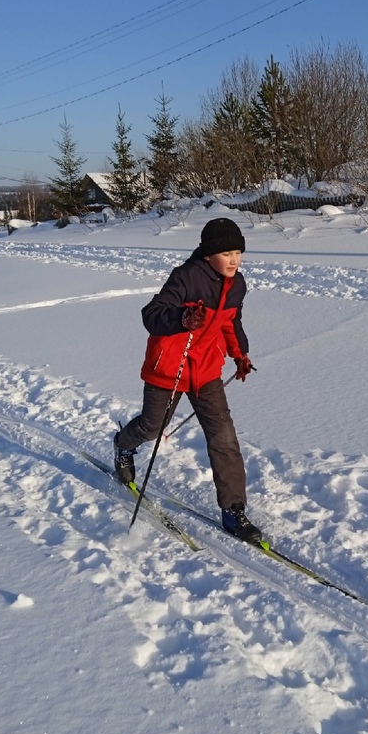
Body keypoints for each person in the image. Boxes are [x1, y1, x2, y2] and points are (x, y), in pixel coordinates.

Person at [114, 216, 262, 544]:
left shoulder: (237, 285)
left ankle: (233, 509)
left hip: (205, 370)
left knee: (223, 437)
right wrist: (181, 318)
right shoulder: (186, 278)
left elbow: (231, 323)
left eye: (239, 252)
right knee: (152, 428)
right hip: (169, 368)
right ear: (208, 255)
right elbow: (151, 314)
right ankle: (123, 445)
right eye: (227, 254)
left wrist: (240, 356)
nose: (235, 260)